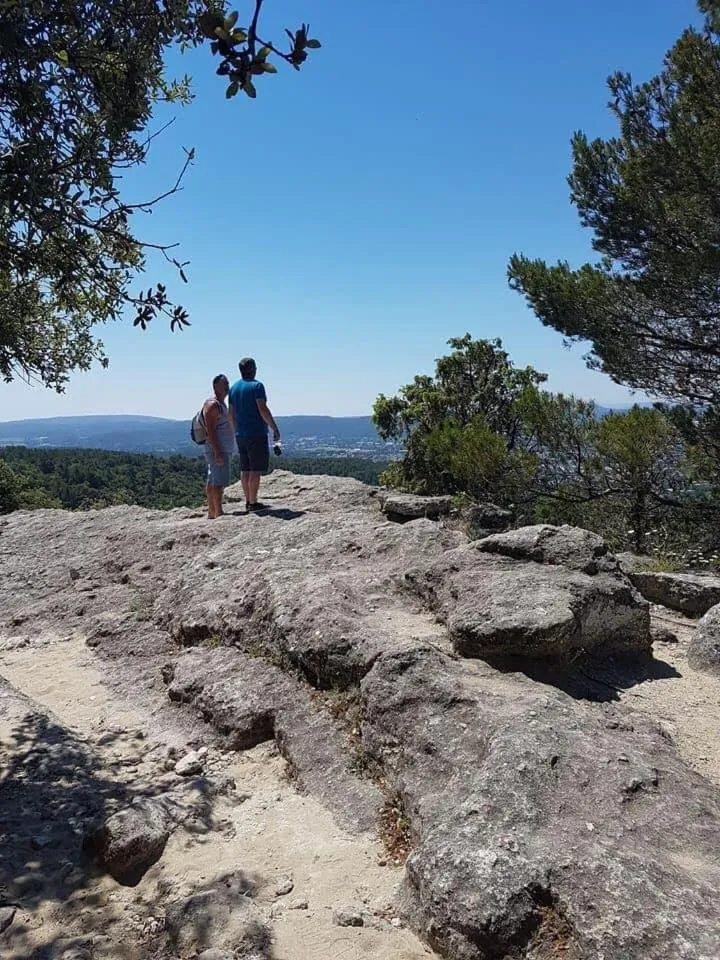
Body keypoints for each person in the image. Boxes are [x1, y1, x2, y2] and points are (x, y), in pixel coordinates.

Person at [228, 357, 280, 512]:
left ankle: (248, 501)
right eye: (255, 367)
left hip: (240, 434)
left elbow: (231, 414)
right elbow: (262, 409)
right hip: (256, 433)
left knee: (245, 469)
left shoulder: (233, 388)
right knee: (255, 469)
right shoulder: (257, 386)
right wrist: (274, 428)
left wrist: (236, 430)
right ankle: (253, 502)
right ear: (252, 369)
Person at [202, 374, 234, 519]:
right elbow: (210, 430)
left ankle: (211, 511)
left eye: (227, 384)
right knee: (218, 481)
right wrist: (218, 451)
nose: (227, 387)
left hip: (219, 448)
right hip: (218, 448)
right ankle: (218, 511)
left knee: (213, 478)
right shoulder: (213, 405)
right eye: (224, 384)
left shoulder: (220, 404)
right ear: (215, 386)